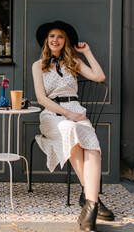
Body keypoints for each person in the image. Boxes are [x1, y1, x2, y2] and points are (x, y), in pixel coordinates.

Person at [32, 20, 114, 232]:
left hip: (76, 111)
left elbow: (99, 76)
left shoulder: (74, 62)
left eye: (60, 37)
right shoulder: (37, 66)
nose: (55, 40)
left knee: (92, 146)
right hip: (53, 115)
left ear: (65, 40)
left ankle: (90, 206)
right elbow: (41, 99)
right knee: (70, 129)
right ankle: (92, 197)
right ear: (46, 40)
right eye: (52, 36)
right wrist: (67, 114)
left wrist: (87, 52)